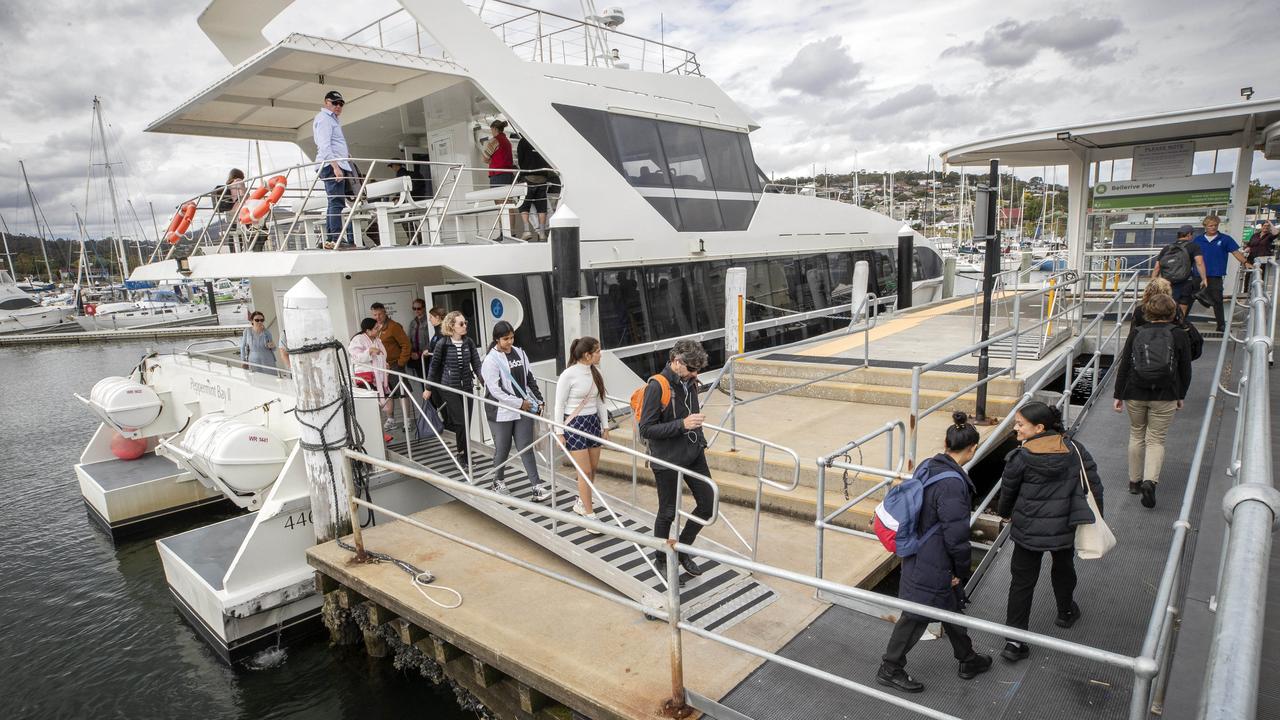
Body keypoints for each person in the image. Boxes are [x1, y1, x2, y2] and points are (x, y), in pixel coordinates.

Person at [877, 412, 993, 694]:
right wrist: (960, 571)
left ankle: (968, 658)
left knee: (950, 606)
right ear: (972, 448)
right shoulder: (953, 484)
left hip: (919, 550)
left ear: (945, 442)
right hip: (933, 559)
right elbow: (956, 536)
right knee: (916, 614)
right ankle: (889, 669)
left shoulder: (929, 465)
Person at [997, 402, 1103, 662]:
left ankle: (1014, 642)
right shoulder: (1074, 449)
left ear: (1039, 427)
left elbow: (1008, 493)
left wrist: (1005, 513)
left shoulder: (1020, 457)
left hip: (1028, 529)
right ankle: (1065, 611)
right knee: (1064, 568)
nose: (1015, 428)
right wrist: (1096, 514)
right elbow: (1094, 485)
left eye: (1020, 424)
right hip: (1064, 524)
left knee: (1022, 582)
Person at [638, 339, 715, 582]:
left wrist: (699, 439)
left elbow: (692, 414)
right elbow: (647, 429)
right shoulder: (657, 386)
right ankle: (661, 558)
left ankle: (682, 549)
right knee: (668, 511)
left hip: (692, 451)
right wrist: (682, 425)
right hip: (667, 457)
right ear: (676, 362)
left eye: (697, 370)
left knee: (708, 504)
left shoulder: (690, 382)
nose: (695, 374)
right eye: (692, 369)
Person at [1113, 294, 1192, 508]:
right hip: (1165, 393)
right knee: (1156, 439)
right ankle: (1150, 481)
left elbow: (1125, 365)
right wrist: (1180, 395)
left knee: (1137, 432)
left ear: (1148, 311)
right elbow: (1185, 368)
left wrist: (1118, 394)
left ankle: (1134, 481)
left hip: (1135, 391)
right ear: (1172, 312)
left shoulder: (1137, 332)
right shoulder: (1178, 334)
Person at [481, 321, 550, 500]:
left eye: (512, 337)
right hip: (500, 411)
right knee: (502, 449)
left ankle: (536, 486)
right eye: (506, 339)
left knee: (526, 447)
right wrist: (519, 403)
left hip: (522, 408)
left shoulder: (520, 352)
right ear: (497, 339)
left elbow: (529, 378)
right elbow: (495, 391)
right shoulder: (490, 360)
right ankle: (498, 481)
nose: (510, 342)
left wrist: (539, 400)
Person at [554, 337, 611, 529]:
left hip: (592, 422)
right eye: (597, 351)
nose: (600, 354)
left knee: (593, 468)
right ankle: (589, 514)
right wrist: (559, 431)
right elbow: (559, 405)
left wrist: (605, 426)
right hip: (575, 425)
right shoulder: (568, 375)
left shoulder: (597, 373)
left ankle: (581, 502)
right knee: (584, 471)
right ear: (587, 355)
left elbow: (601, 401)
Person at [424, 311, 483, 463]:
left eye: (465, 323)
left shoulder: (468, 342)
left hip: (467, 387)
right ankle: (463, 454)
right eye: (461, 324)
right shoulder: (442, 344)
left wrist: (484, 381)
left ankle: (463, 453)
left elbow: (477, 364)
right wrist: (428, 388)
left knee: (466, 421)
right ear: (451, 326)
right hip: (449, 388)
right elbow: (434, 367)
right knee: (460, 421)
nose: (465, 326)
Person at [1194, 214, 1252, 332]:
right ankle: (1181, 322)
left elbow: (1235, 252)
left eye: (1215, 225)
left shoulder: (1225, 239)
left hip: (1216, 274)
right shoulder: (1198, 240)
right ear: (1205, 226)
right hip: (1198, 274)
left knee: (1217, 300)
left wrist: (1245, 262)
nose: (1213, 228)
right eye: (1210, 226)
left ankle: (1220, 325)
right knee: (1191, 296)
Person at [313, 90, 354, 249]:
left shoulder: (333, 120)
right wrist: (336, 166)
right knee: (336, 202)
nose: (338, 106)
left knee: (335, 202)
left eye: (341, 104)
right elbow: (324, 146)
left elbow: (333, 144)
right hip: (331, 165)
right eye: (335, 103)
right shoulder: (324, 119)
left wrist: (345, 155)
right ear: (326, 102)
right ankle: (335, 237)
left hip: (336, 163)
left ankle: (332, 239)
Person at [1152, 224, 1207, 320]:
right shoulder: (1193, 247)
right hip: (1185, 281)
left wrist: (1153, 281)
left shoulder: (1167, 248)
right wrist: (1204, 279)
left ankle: (1168, 322)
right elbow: (1199, 263)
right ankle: (1180, 323)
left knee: (1168, 302)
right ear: (1189, 235)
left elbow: (1157, 267)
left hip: (1167, 282)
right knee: (1183, 303)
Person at [371, 302, 411, 429]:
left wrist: (400, 363)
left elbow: (406, 345)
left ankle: (407, 421)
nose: (377, 317)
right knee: (387, 393)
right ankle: (391, 420)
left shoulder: (394, 327)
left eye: (380, 314)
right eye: (375, 314)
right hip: (382, 367)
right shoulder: (375, 328)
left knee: (402, 392)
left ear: (385, 312)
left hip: (395, 366)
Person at [349, 318, 392, 430]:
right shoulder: (358, 339)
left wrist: (384, 363)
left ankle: (380, 432)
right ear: (367, 330)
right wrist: (369, 351)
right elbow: (356, 357)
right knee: (371, 407)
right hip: (365, 378)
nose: (379, 330)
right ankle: (374, 432)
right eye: (376, 328)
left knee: (379, 405)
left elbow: (381, 356)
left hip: (378, 376)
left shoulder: (377, 340)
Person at [516, 135, 550, 241]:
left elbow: (520, 160)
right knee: (542, 208)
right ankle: (542, 233)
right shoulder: (541, 139)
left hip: (528, 177)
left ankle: (527, 231)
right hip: (543, 178)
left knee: (524, 205)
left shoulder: (523, 141)